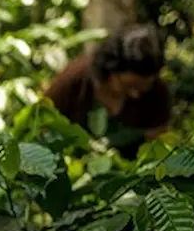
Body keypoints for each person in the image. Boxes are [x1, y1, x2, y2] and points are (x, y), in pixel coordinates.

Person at [43, 25, 171, 158]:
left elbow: (157, 140)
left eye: (142, 87)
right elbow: (43, 124)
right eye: (128, 86)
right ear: (111, 71)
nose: (135, 94)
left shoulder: (157, 92)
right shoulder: (75, 80)